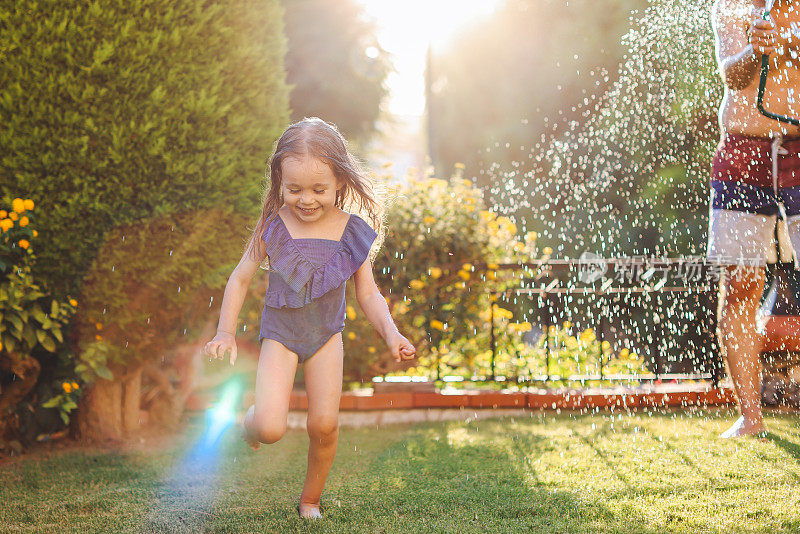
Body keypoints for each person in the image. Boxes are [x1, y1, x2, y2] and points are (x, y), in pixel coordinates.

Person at [202, 117, 417, 518]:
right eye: (294, 188)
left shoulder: (352, 231)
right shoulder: (272, 226)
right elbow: (240, 277)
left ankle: (310, 500)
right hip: (280, 336)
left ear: (340, 182)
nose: (306, 199)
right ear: (278, 183)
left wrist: (392, 334)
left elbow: (367, 293)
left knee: (323, 426)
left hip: (325, 338)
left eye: (319, 189)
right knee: (270, 429)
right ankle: (251, 423)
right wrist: (225, 333)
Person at [709, 0, 800, 438]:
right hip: (742, 151)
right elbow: (732, 74)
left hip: (799, 148)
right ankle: (751, 416)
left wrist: (789, 43)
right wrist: (753, 50)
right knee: (741, 282)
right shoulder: (731, 4)